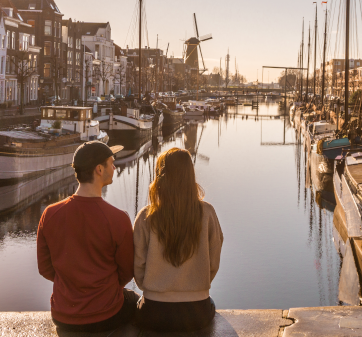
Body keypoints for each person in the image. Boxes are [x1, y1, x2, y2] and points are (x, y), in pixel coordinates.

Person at [37, 141, 137, 333]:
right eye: (111, 163)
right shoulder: (117, 219)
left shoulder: (50, 214)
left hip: (63, 316)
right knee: (137, 302)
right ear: (99, 169)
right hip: (107, 314)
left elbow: (45, 268)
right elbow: (126, 271)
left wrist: (73, 284)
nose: (115, 167)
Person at [133, 147, 223, 332]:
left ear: (160, 178)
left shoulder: (146, 216)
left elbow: (138, 263)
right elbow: (213, 262)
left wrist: (152, 287)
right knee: (211, 305)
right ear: (191, 176)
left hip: (154, 310)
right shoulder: (207, 213)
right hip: (197, 311)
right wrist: (197, 286)